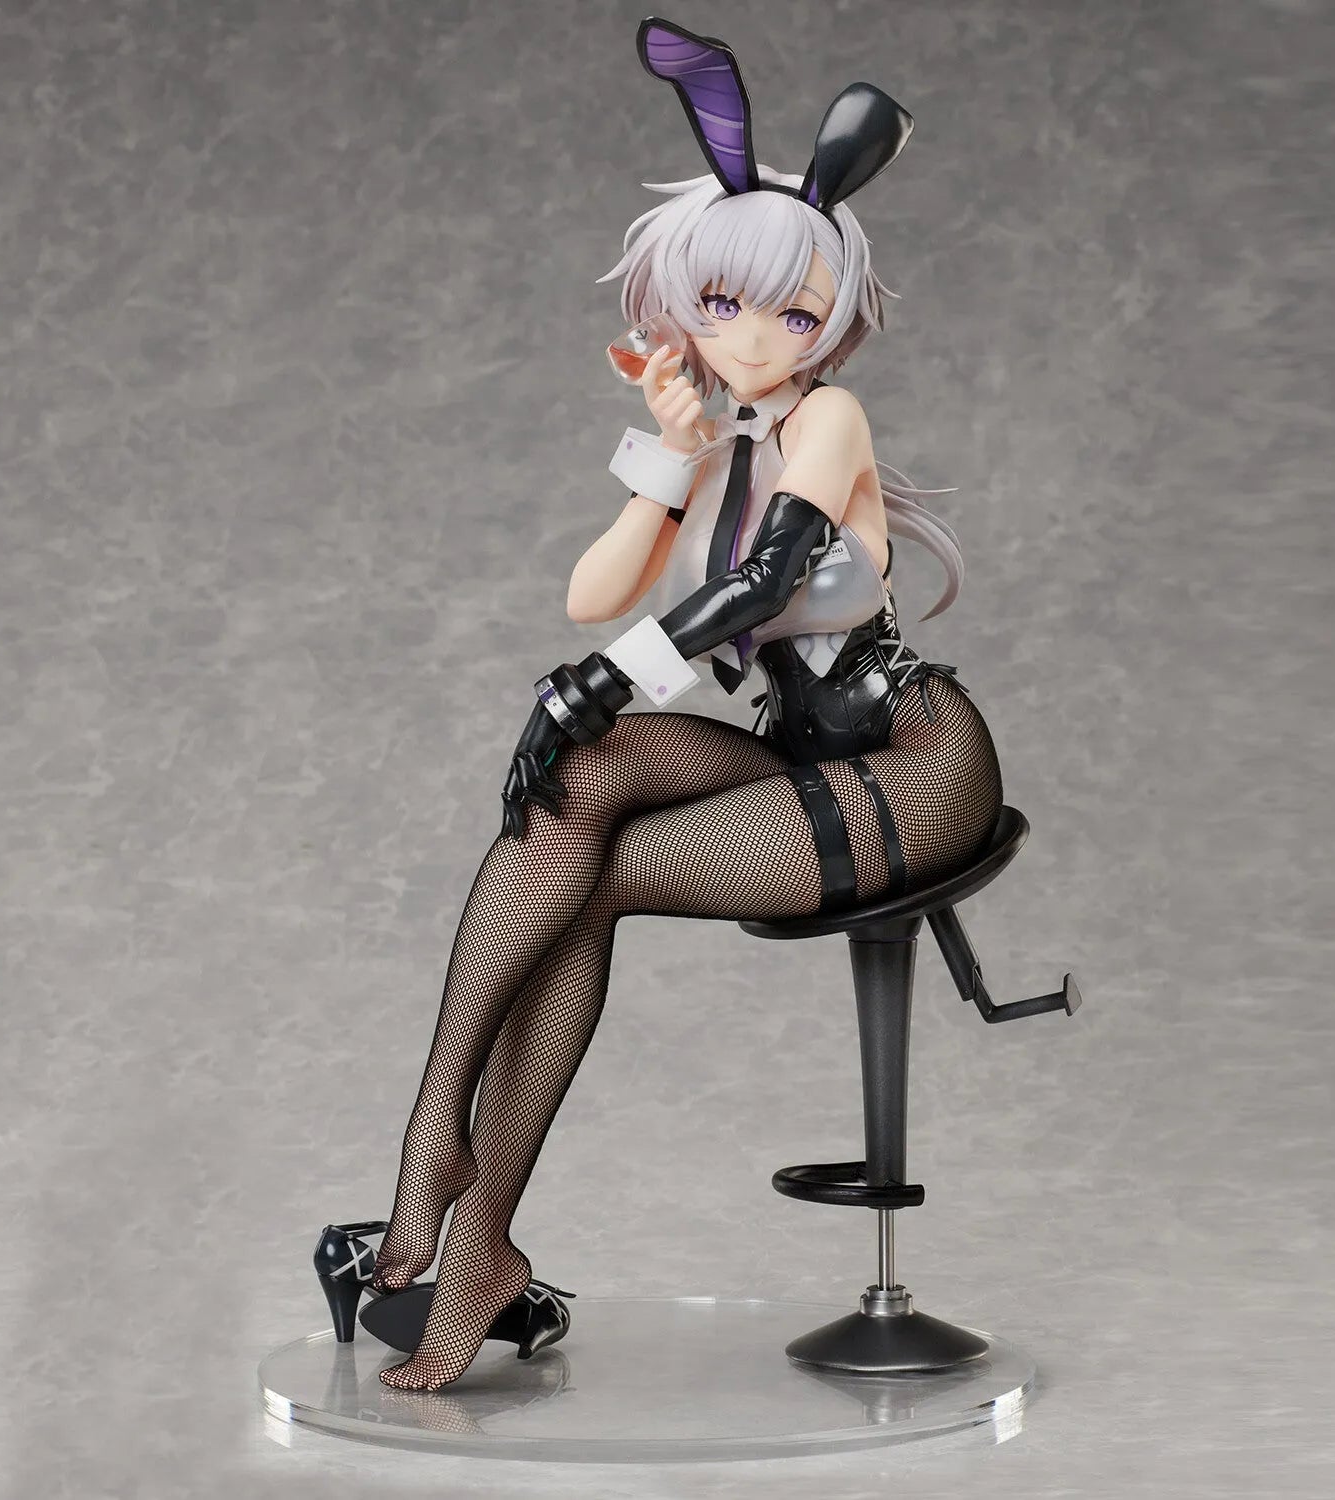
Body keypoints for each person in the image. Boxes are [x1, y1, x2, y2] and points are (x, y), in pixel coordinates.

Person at [364, 16, 1004, 1392]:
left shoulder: (829, 421)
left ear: (832, 320)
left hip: (911, 765)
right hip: (797, 757)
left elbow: (760, 583)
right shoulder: (715, 441)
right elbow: (594, 592)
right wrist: (667, 456)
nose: (758, 339)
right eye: (725, 305)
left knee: (592, 867)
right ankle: (437, 1148)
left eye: (794, 313)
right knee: (575, 785)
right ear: (681, 303)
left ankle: (467, 1221)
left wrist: (599, 683)